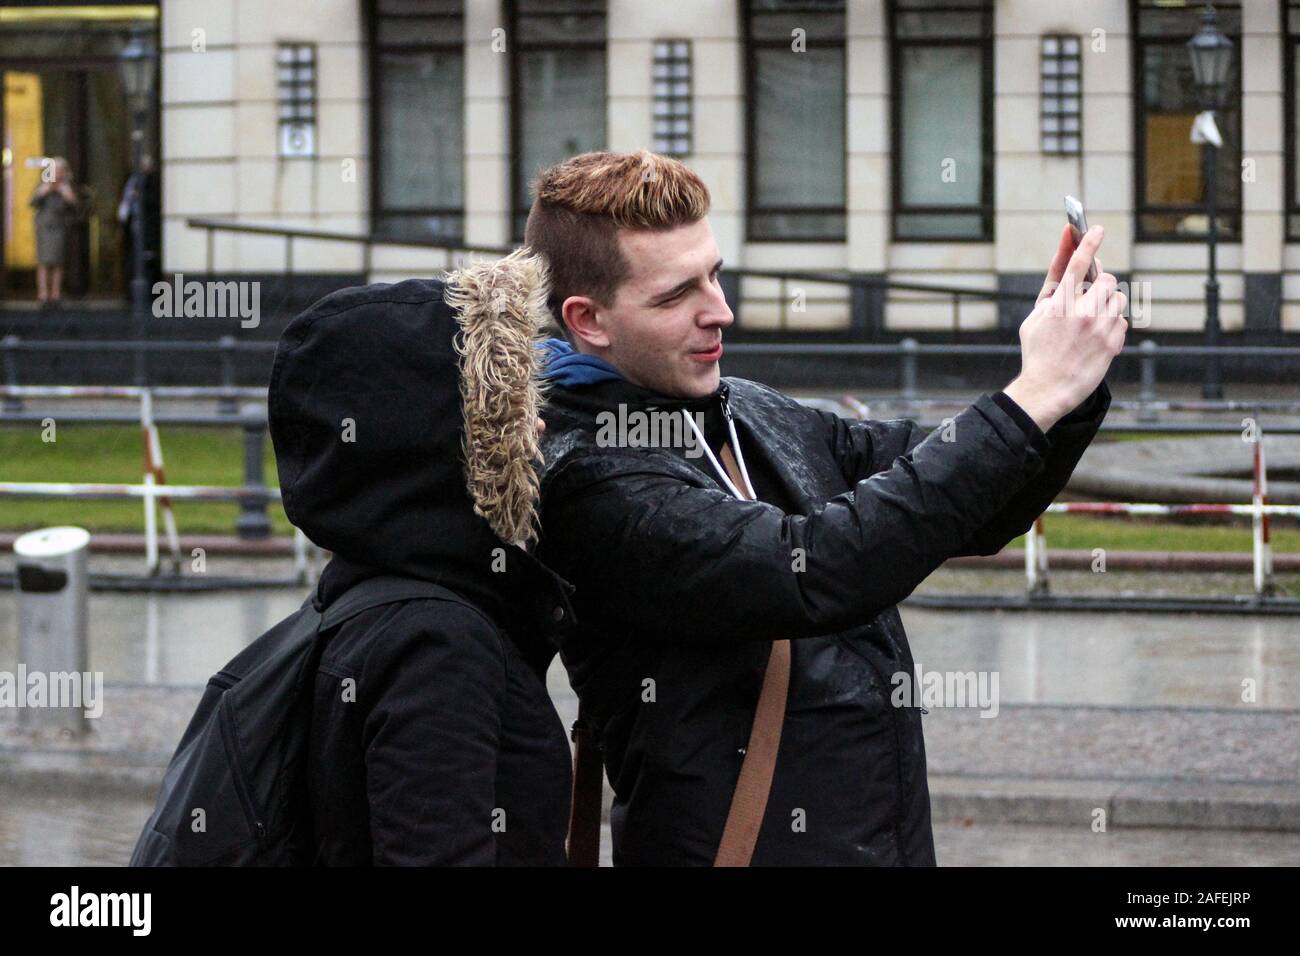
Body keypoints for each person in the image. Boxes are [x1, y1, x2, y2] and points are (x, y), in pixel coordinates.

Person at [530, 150, 1123, 866]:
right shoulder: (588, 479)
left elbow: (967, 502)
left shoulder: (740, 407)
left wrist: (1068, 383)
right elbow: (820, 567)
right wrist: (1031, 398)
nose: (720, 311)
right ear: (587, 320)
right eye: (675, 295)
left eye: (714, 274)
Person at [267, 248, 577, 865]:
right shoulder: (439, 642)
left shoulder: (366, 593)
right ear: (433, 437)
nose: (538, 426)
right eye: (508, 412)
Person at [29, 157, 77, 306]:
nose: (57, 173)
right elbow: (32, 202)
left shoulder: (66, 186)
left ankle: (55, 293)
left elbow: (74, 205)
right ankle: (43, 293)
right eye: (54, 170)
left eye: (59, 170)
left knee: (57, 261)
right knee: (44, 261)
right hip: (44, 227)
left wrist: (66, 194)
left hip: (59, 227)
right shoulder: (43, 184)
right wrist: (44, 191)